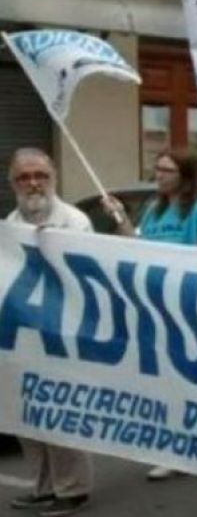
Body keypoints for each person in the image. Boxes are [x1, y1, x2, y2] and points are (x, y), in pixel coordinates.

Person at [102, 149, 197, 484]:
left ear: (185, 176)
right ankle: (172, 447)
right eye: (157, 169)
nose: (159, 175)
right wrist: (120, 218)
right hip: (155, 306)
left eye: (166, 170)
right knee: (163, 379)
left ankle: (188, 447)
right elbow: (137, 248)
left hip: (187, 305)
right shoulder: (154, 209)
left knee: (187, 379)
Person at [5, 148, 94, 516]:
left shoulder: (74, 222)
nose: (33, 183)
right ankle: (44, 487)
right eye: (24, 177)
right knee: (26, 415)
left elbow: (88, 276)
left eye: (40, 175)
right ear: (12, 183)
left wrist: (53, 248)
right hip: (24, 335)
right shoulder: (10, 224)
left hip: (63, 334)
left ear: (53, 177)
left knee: (61, 411)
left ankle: (73, 489)